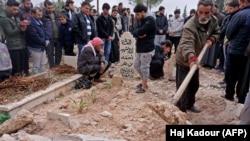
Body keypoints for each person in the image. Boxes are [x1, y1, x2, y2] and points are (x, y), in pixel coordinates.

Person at [175, 0, 220, 113]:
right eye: (200, 12)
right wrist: (191, 58)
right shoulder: (189, 25)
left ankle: (190, 104)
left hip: (197, 58)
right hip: (185, 58)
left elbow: (217, 32)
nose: (203, 16)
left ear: (212, 11)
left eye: (206, 13)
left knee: (194, 85)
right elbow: (187, 43)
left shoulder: (213, 21)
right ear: (196, 11)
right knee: (183, 88)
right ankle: (181, 111)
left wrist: (212, 39)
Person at [222, 0, 250, 102]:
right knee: (245, 75)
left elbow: (229, 33)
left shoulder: (239, 15)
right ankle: (241, 97)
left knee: (232, 72)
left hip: (235, 49)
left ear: (245, 2)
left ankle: (229, 94)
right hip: (247, 52)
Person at [0, 0, 29, 76]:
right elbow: (10, 33)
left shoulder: (16, 16)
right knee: (15, 70)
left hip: (21, 45)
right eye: (14, 9)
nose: (16, 11)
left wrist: (23, 27)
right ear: (7, 7)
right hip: (12, 47)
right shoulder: (4, 18)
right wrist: (20, 27)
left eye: (17, 9)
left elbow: (18, 29)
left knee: (22, 68)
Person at [132, 3, 156, 93]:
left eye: (138, 14)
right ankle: (144, 82)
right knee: (136, 65)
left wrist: (139, 33)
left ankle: (144, 86)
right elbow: (134, 31)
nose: (137, 16)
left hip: (147, 48)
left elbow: (141, 31)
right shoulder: (141, 20)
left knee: (144, 67)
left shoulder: (150, 20)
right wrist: (139, 34)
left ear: (143, 12)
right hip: (140, 48)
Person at [26, 7, 49, 75]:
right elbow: (34, 36)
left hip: (41, 47)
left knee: (42, 63)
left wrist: (47, 40)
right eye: (38, 15)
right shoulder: (30, 23)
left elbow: (44, 31)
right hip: (35, 47)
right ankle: (36, 79)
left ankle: (43, 77)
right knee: (36, 65)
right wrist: (44, 42)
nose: (40, 16)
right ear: (33, 14)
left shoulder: (39, 21)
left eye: (41, 15)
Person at [42, 1, 61, 68]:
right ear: (45, 7)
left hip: (58, 37)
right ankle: (52, 66)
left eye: (52, 8)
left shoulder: (57, 15)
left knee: (58, 52)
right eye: (49, 8)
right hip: (49, 38)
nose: (50, 9)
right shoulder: (43, 16)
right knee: (50, 53)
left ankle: (57, 65)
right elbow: (42, 28)